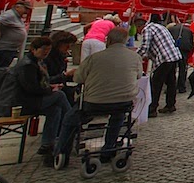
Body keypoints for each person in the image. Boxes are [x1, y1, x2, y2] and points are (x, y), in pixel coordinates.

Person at [58, 27, 142, 165]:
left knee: (69, 119)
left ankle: (62, 151)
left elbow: (78, 78)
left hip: (94, 103)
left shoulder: (94, 58)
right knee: (118, 116)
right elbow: (138, 75)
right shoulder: (135, 57)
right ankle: (109, 148)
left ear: (108, 40)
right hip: (123, 102)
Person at [10, 36, 72, 166]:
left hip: (33, 99)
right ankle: (72, 121)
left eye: (48, 50)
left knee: (55, 109)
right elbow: (32, 88)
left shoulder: (37, 62)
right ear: (33, 49)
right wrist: (51, 89)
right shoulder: (28, 65)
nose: (46, 53)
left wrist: (51, 87)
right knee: (60, 96)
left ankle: (47, 144)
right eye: (44, 49)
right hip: (25, 102)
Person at [134, 14, 181, 116]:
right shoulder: (158, 26)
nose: (137, 33)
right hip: (173, 55)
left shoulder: (147, 29)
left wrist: (134, 57)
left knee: (156, 83)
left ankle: (152, 108)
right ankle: (170, 105)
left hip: (164, 58)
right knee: (171, 82)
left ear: (139, 27)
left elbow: (145, 46)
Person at [0, 0, 31, 69]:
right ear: (17, 7)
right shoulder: (10, 15)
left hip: (8, 50)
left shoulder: (17, 17)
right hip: (2, 50)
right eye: (26, 9)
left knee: (1, 72)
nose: (27, 11)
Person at [44, 30, 77, 105]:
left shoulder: (61, 56)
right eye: (67, 45)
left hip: (59, 87)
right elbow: (46, 80)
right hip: (50, 89)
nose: (68, 48)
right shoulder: (47, 58)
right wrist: (65, 75)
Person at [168, 21, 194, 94]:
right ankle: (181, 87)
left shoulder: (171, 29)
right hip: (184, 50)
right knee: (183, 68)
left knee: (171, 69)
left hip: (173, 49)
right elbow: (191, 42)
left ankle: (170, 87)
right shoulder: (189, 30)